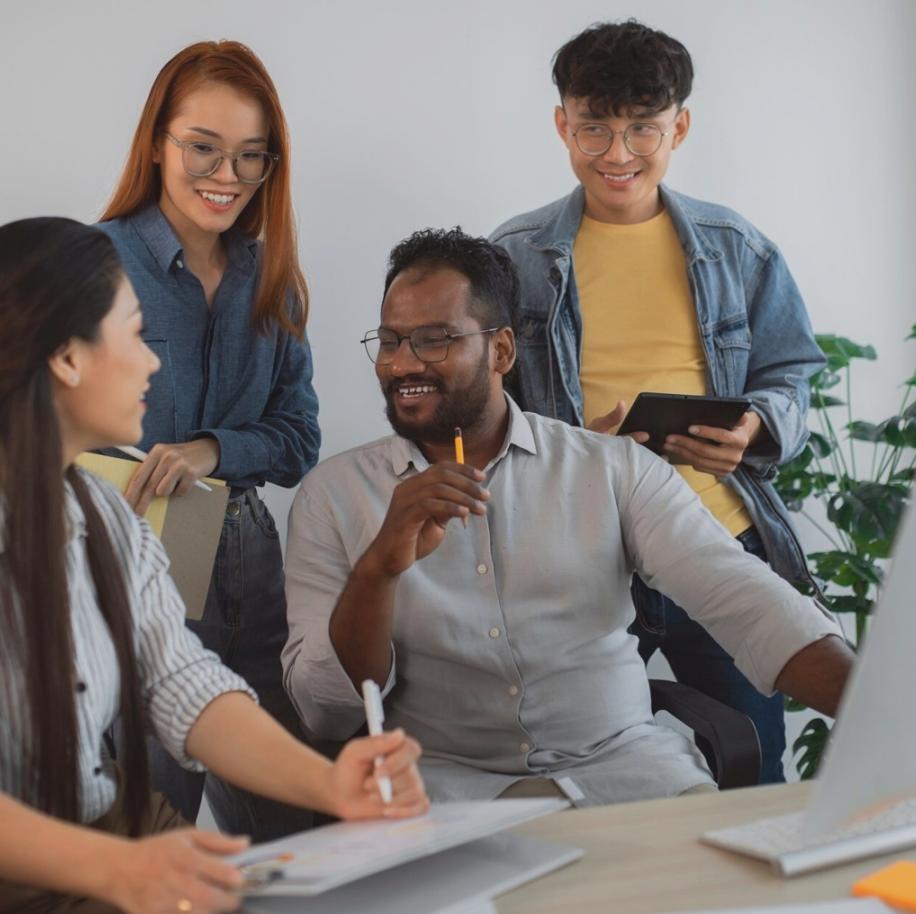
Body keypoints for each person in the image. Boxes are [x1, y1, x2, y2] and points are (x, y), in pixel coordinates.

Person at [0, 218, 428, 914]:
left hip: (101, 840)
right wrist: (118, 870)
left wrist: (330, 785)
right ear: (69, 359)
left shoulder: (102, 514)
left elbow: (182, 683)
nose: (152, 362)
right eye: (134, 335)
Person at [0, 41, 319, 837]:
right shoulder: (94, 261)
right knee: (155, 816)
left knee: (295, 825)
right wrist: (30, 463)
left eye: (251, 157)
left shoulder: (273, 276)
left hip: (249, 562)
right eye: (203, 147)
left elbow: (299, 439)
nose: (226, 176)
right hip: (134, 548)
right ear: (158, 141)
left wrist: (208, 450)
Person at [281, 228, 852, 805]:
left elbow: (747, 601)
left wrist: (889, 717)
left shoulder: (611, 469)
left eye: (433, 341)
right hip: (446, 795)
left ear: (502, 351)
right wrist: (379, 567)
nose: (402, 365)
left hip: (627, 774)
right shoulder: (332, 497)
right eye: (391, 341)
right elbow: (324, 709)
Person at [489, 20, 826, 784]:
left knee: (753, 770)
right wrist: (570, 448)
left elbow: (795, 372)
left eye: (642, 129)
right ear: (561, 126)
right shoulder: (513, 257)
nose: (617, 154)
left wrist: (755, 426)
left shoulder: (736, 247)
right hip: (580, 551)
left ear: (679, 125)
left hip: (719, 540)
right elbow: (482, 408)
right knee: (573, 770)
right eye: (594, 129)